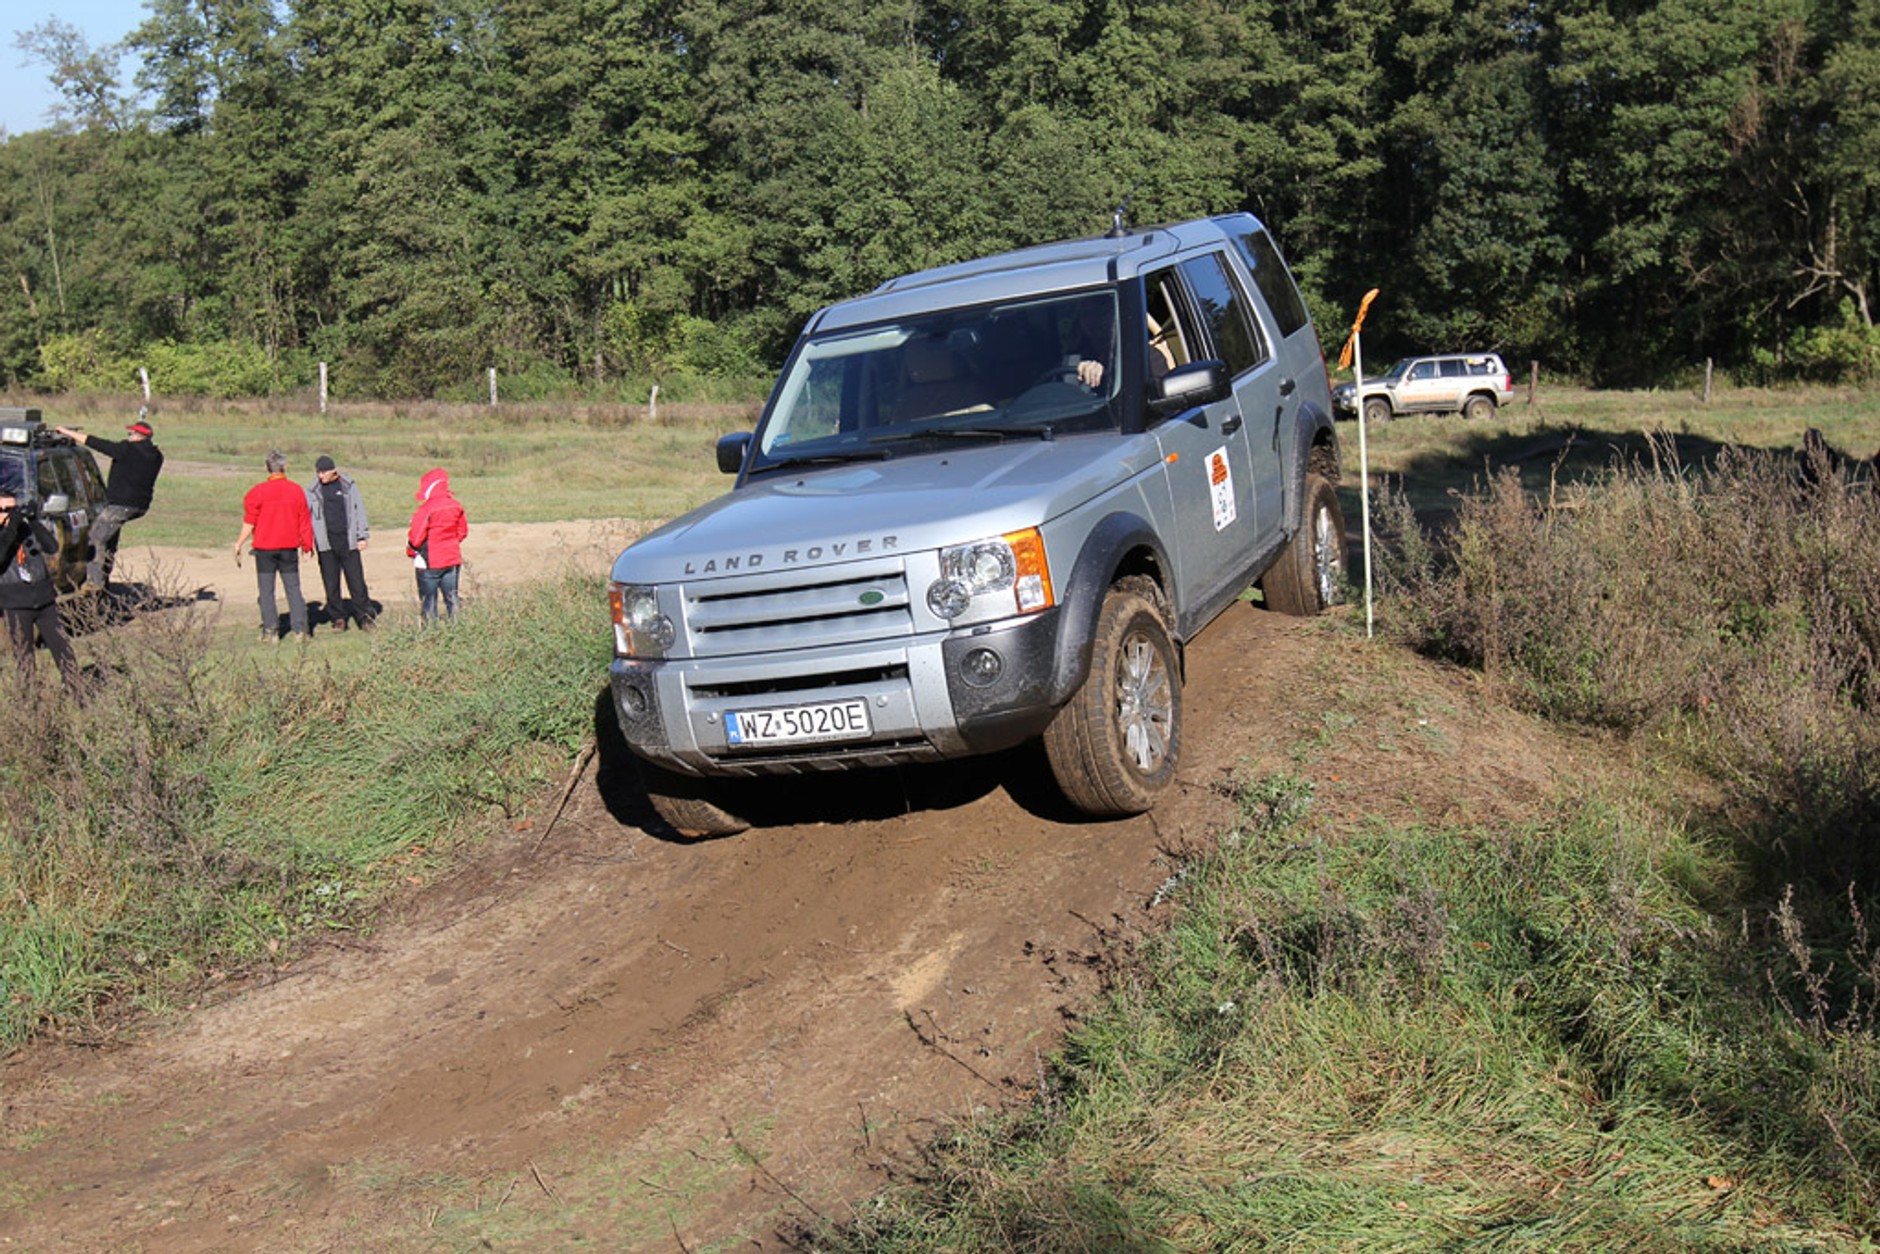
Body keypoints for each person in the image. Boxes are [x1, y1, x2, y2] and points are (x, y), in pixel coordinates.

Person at [53, 411, 164, 590]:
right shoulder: (157, 456)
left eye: (131, 434)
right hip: (139, 506)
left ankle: (95, 582)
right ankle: (104, 579)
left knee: (95, 537)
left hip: (119, 505)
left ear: (138, 436)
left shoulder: (127, 450)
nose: (129, 436)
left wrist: (66, 431)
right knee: (108, 540)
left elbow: (95, 443)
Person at [0, 491, 81, 696]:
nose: (7, 514)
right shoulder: (9, 531)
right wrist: (12, 525)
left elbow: (51, 547)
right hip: (16, 603)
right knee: (24, 658)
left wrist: (34, 521)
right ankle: (29, 707)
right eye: (2, 510)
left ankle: (79, 696)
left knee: (63, 650)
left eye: (11, 510)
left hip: (45, 600)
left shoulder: (25, 529)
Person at [233, 451, 314, 643]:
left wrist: (239, 543)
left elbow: (249, 522)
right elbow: (304, 521)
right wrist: (307, 546)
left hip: (265, 549)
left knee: (266, 591)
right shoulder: (296, 491)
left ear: (266, 468)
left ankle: (270, 632)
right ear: (285, 468)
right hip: (288, 548)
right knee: (293, 589)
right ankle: (300, 631)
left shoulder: (257, 492)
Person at [306, 454, 374, 631]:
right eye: (318, 472)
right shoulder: (312, 490)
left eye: (323, 472)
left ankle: (364, 617)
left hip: (348, 541)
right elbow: (307, 517)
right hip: (325, 543)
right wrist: (307, 543)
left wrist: (362, 535)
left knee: (357, 582)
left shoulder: (348, 486)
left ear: (333, 471)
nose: (320, 476)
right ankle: (338, 618)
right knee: (331, 584)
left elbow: (359, 510)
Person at [406, 467, 468, 624]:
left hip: (430, 561)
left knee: (429, 601)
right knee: (452, 598)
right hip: (452, 558)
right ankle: (459, 629)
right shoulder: (456, 505)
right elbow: (462, 531)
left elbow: (417, 537)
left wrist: (411, 550)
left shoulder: (426, 509)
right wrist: (451, 542)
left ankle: (431, 634)